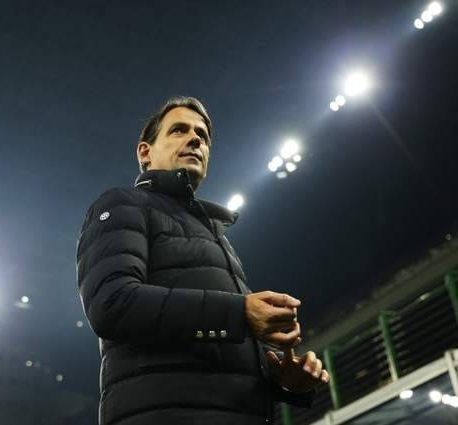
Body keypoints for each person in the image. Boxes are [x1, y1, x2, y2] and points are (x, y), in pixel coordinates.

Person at [76, 96, 329, 425]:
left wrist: (282, 379)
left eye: (203, 135)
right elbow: (111, 304)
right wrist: (240, 313)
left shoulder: (217, 237)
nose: (195, 139)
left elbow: (212, 351)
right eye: (179, 130)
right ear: (145, 152)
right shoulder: (122, 203)